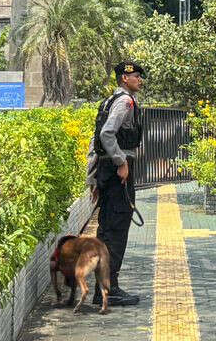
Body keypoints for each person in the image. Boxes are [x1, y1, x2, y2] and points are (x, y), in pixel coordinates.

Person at [89, 59, 146, 307]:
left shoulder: (108, 102)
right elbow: (106, 134)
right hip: (116, 174)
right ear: (125, 78)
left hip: (105, 171)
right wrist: (121, 162)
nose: (140, 80)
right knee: (116, 230)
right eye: (136, 76)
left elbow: (95, 144)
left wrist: (92, 180)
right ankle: (108, 289)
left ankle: (102, 287)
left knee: (106, 229)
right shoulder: (124, 102)